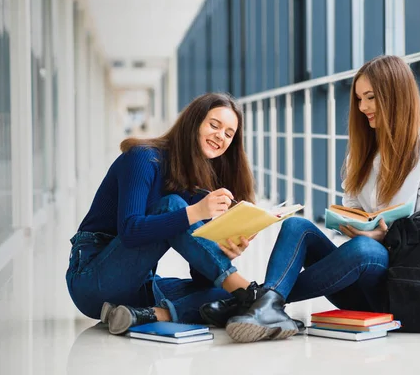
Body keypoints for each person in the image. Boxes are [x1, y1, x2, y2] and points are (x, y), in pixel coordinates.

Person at [205, 55, 420, 343]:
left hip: (394, 288)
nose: (362, 108)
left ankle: (251, 302)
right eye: (359, 99)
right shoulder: (362, 156)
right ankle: (268, 303)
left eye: (370, 98)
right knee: (297, 227)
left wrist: (382, 237)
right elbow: (351, 209)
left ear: (396, 96)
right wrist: (353, 222)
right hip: (349, 280)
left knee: (364, 248)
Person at [66, 93, 280, 335]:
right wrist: (196, 212)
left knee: (223, 297)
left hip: (137, 289)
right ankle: (247, 290)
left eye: (229, 134)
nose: (221, 136)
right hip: (93, 281)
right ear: (193, 123)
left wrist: (223, 250)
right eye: (214, 125)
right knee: (172, 205)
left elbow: (200, 278)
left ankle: (142, 315)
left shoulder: (196, 189)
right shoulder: (142, 157)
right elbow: (130, 231)